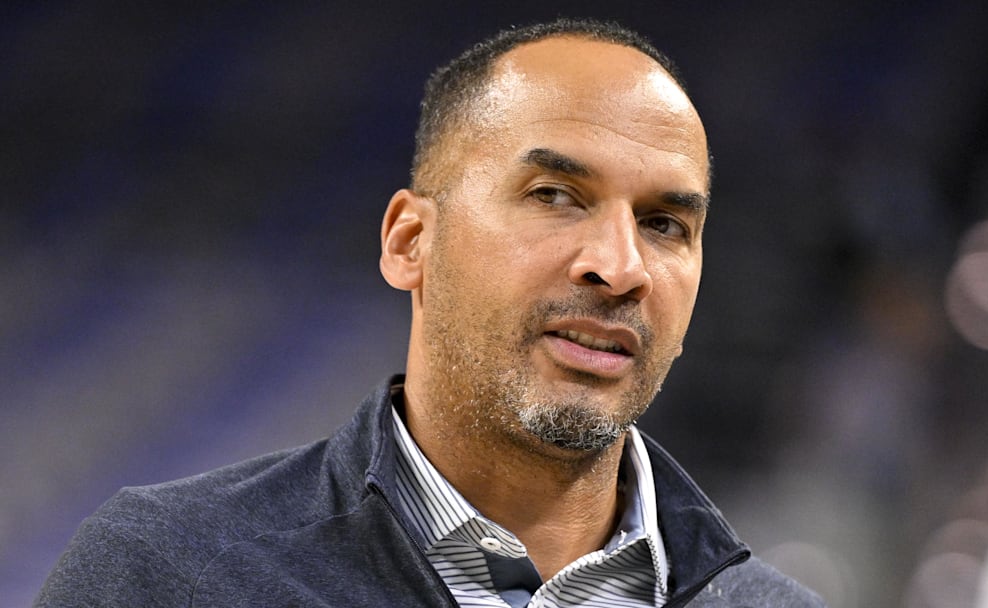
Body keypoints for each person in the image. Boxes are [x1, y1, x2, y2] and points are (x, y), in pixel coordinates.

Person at [36, 18, 824, 607]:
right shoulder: (166, 575)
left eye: (665, 225)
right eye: (554, 196)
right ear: (410, 240)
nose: (619, 267)